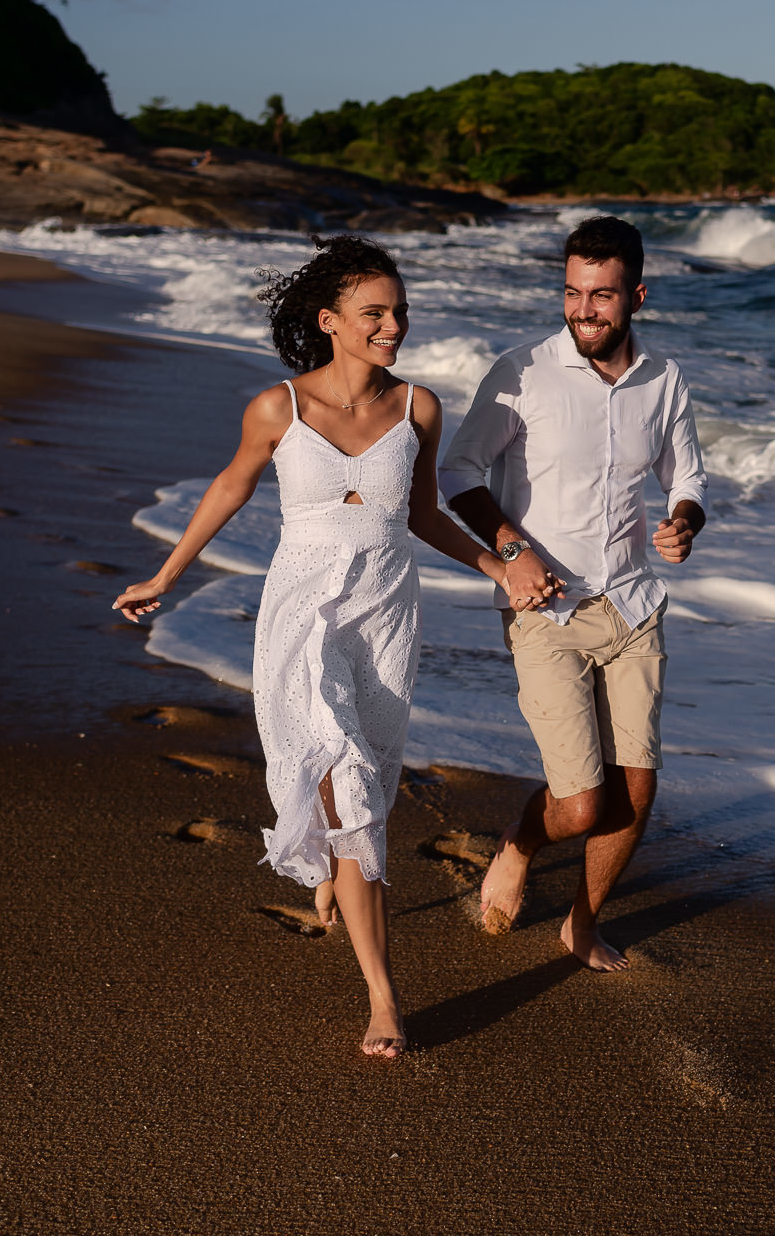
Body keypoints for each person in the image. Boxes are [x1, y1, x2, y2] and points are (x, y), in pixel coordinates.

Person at [113, 236, 516, 1059]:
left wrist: (496, 566)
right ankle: (383, 995)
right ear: (330, 321)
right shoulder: (278, 409)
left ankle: (336, 876)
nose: (393, 325)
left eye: (399, 311)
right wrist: (166, 574)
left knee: (369, 771)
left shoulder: (418, 409)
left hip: (386, 614)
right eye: (375, 313)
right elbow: (232, 484)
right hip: (301, 611)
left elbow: (423, 516)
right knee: (346, 784)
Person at [439, 214, 708, 972]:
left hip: (631, 605)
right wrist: (513, 552)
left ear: (637, 295)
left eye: (602, 296)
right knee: (582, 803)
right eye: (572, 292)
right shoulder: (522, 370)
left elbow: (686, 478)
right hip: (545, 609)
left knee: (638, 793)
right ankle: (522, 842)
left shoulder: (664, 380)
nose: (584, 310)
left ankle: (581, 924)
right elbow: (458, 473)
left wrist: (683, 521)